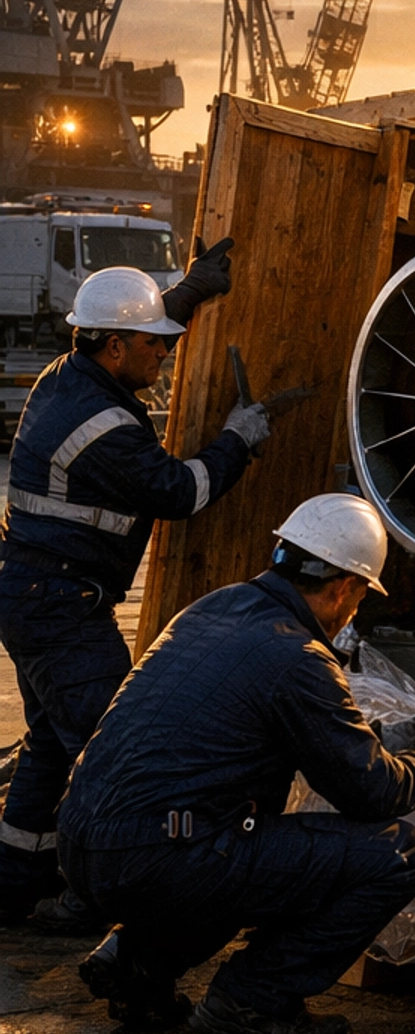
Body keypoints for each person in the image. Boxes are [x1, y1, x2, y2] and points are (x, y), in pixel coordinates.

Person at [61, 493, 415, 1034]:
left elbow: (263, 729)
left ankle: (136, 966)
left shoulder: (213, 608)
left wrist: (379, 741)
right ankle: (253, 999)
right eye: (358, 601)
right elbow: (373, 792)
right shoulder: (298, 655)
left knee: (240, 850)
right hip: (160, 859)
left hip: (85, 846)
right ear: (345, 589)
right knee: (393, 854)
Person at [0, 251, 268, 928]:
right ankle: (92, 893)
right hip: (60, 607)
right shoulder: (108, 429)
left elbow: (137, 326)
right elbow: (183, 491)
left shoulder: (72, 375)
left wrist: (192, 290)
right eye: (156, 346)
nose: (166, 359)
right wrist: (237, 441)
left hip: (37, 596)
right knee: (115, 750)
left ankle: (14, 881)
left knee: (51, 744)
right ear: (115, 345)